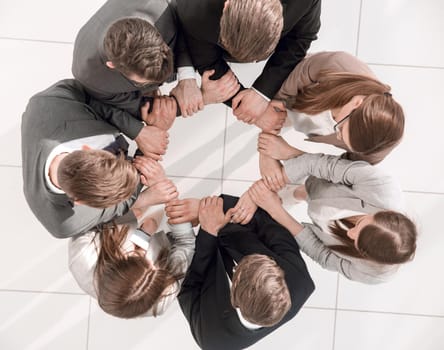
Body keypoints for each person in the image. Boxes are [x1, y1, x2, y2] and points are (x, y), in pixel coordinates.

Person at [21, 79, 177, 238]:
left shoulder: (49, 103)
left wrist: (138, 131)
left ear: (87, 149)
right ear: (79, 202)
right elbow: (120, 203)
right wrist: (157, 131)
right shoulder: (65, 223)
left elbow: (91, 91)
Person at [72, 0, 226, 157]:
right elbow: (139, 109)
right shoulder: (93, 78)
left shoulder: (160, 7)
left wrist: (187, 77)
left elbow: (185, 27)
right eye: (145, 82)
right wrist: (203, 97)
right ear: (113, 65)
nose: (158, 85)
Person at [250, 140, 418, 283]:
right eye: (359, 223)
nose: (350, 233)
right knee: (312, 188)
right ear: (380, 212)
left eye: (357, 243)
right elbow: (322, 166)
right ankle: (302, 190)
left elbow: (322, 254)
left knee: (309, 201)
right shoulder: (381, 186)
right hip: (327, 183)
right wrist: (277, 173)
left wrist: (276, 211)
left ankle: (302, 193)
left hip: (322, 207)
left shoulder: (373, 274)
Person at [177, 195, 314, 350]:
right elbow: (269, 226)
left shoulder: (210, 338)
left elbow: (187, 289)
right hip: (233, 223)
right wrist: (220, 210)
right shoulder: (301, 282)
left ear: (234, 295)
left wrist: (208, 232)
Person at [176, 0, 321, 123]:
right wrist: (247, 107)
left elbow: (301, 37)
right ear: (227, 5)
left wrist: (263, 92)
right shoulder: (195, 9)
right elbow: (206, 59)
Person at [258, 51, 405, 168]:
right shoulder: (336, 65)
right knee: (261, 111)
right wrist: (266, 155)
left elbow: (343, 170)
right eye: (340, 128)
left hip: (302, 111)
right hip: (294, 91)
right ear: (357, 103)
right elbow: (279, 99)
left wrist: (293, 154)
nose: (337, 137)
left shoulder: (376, 147)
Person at [69, 209, 195, 318]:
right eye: (153, 267)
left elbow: (89, 214)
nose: (143, 253)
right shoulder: (164, 295)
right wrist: (180, 221)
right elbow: (186, 244)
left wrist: (132, 209)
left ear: (115, 264)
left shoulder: (82, 256)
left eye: (138, 256)